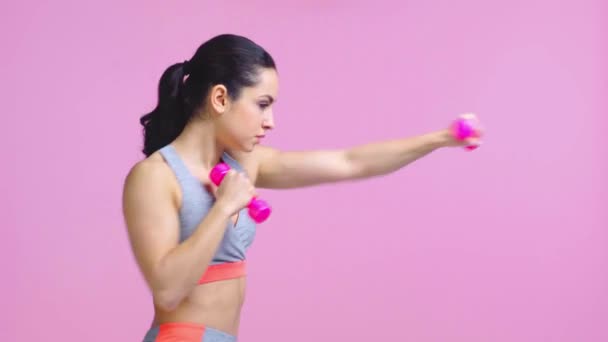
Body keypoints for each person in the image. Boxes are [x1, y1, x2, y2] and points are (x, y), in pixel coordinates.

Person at [122, 33, 482, 342]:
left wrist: (439, 138)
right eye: (262, 105)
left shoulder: (242, 164)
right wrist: (222, 209)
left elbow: (349, 162)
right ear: (220, 98)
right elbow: (168, 291)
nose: (271, 121)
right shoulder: (155, 176)